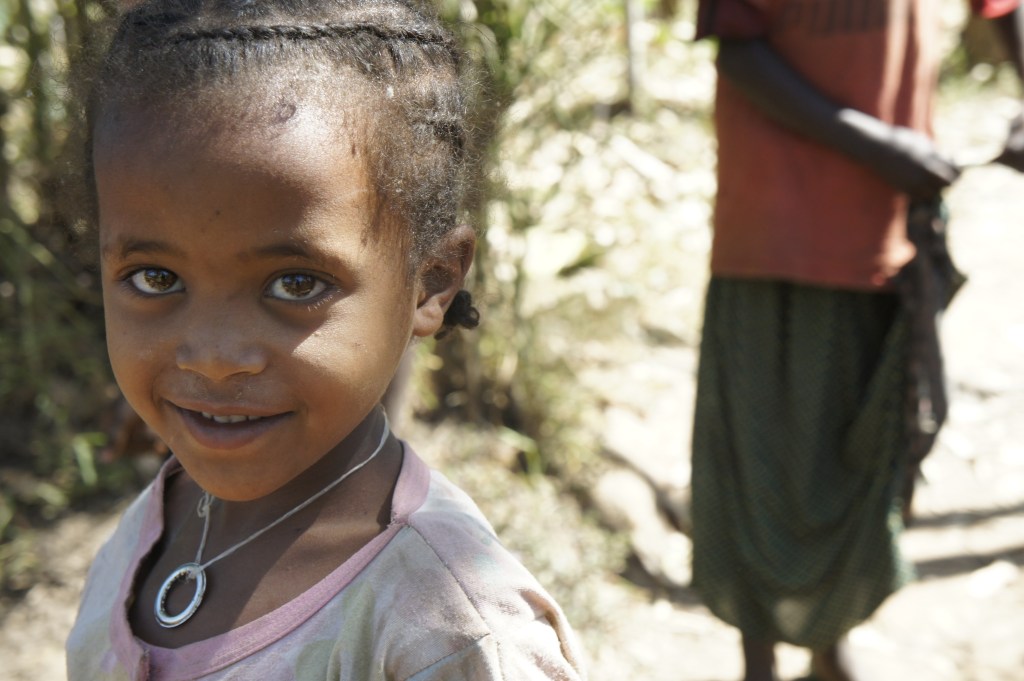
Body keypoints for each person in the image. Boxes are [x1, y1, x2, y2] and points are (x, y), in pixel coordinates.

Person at [64, 1, 585, 678]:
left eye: (296, 284)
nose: (215, 356)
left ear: (431, 283)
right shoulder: (161, 519)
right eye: (155, 276)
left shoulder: (448, 632)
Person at [689, 2, 1024, 681]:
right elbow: (739, 52)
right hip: (771, 235)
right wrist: (881, 146)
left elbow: (1004, 9)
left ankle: (828, 645)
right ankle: (757, 657)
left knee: (867, 453)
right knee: (758, 457)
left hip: (885, 236)